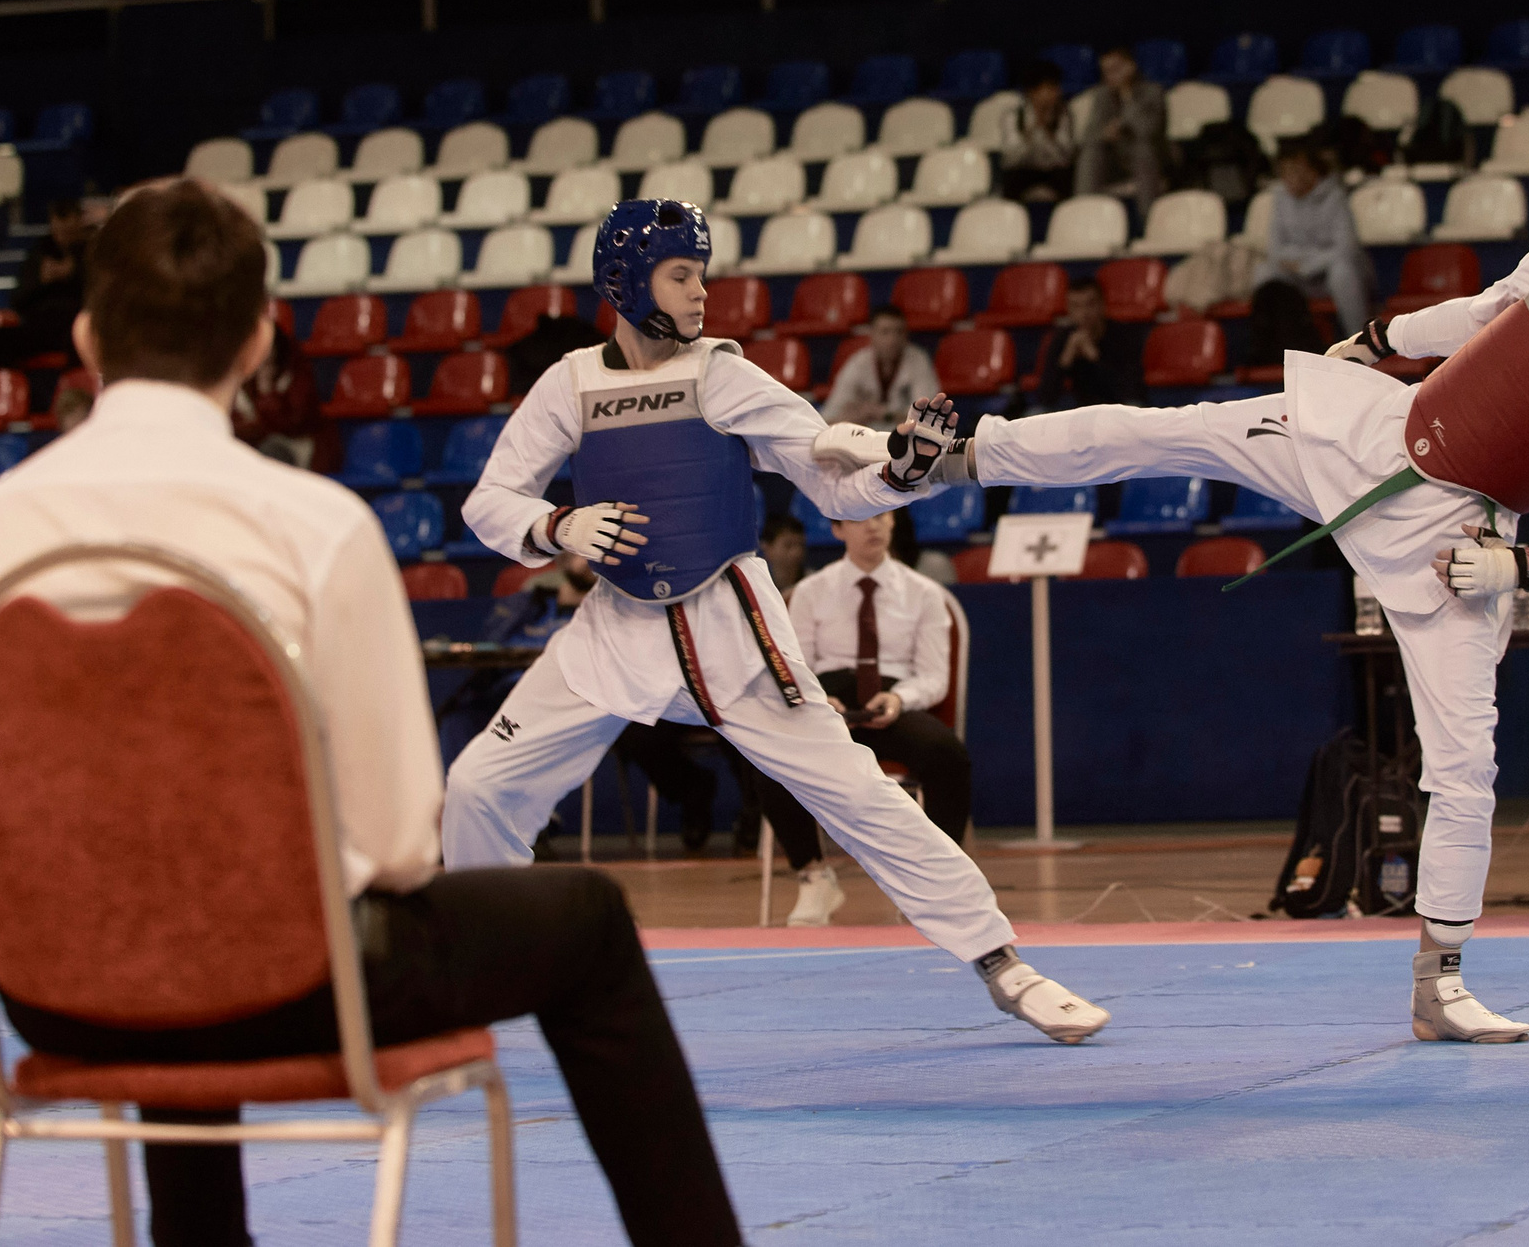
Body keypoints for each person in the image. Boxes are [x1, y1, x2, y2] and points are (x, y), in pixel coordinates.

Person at [0, 179, 744, 1247]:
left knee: (172, 902)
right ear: (261, 341)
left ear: (85, 335)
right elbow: (402, 842)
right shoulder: (309, 523)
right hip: (287, 981)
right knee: (581, 921)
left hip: (49, 986)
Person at [938, 134, 1529, 1043]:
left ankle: (1439, 982)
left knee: (1465, 768)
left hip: (1460, 543)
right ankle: (964, 455)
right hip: (1372, 438)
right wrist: (1380, 340)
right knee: (1173, 432)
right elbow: (1478, 315)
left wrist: (1528, 567)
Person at [442, 199, 1108, 1044]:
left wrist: (898, 472)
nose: (700, 293)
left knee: (859, 793)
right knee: (477, 787)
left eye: (702, 276)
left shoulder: (721, 371)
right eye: (682, 275)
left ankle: (1004, 962)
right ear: (624, 278)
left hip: (729, 629)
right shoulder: (571, 381)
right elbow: (489, 500)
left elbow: (827, 467)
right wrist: (557, 526)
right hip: (612, 631)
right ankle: (484, 974)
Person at [757, 510, 974, 925]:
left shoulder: (925, 594)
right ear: (837, 529)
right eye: (859, 518)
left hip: (893, 702)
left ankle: (935, 883)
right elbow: (795, 666)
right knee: (771, 755)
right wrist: (822, 702)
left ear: (893, 523)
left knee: (948, 756)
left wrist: (898, 697)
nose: (873, 525)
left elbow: (933, 676)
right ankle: (813, 876)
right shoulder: (810, 592)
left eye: (882, 515)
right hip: (829, 705)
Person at [1255, 140, 1371, 334]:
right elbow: (1275, 248)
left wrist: (1306, 265)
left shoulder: (1336, 196)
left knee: (1342, 270)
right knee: (1264, 273)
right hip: (1296, 275)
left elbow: (1346, 248)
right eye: (1285, 172)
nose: (1289, 177)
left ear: (1313, 171)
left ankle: (1359, 338)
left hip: (1327, 275)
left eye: (1295, 170)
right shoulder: (1280, 197)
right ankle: (1275, 344)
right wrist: (1297, 263)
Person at [0, 196, 94, 368]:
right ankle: (14, 389)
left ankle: (75, 388)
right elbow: (17, 300)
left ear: (78, 219)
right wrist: (40, 281)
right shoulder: (40, 252)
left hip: (73, 324)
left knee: (78, 335)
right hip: (41, 325)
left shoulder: (91, 249)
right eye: (58, 218)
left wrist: (73, 273)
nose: (63, 225)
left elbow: (98, 295)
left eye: (68, 217)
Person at [230, 322, 341, 473]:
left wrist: (267, 390)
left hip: (300, 444)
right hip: (256, 444)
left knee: (271, 451)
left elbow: (293, 422)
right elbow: (235, 424)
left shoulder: (297, 372)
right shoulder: (242, 376)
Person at [1073, 44, 1170, 213]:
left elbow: (1148, 132)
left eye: (1115, 70)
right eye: (1106, 72)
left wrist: (1127, 98)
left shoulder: (1153, 92)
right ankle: (1084, 214)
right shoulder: (1102, 95)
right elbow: (1089, 135)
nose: (1110, 76)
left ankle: (1149, 224)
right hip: (1116, 160)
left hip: (1152, 157)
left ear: (1131, 67)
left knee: (1143, 151)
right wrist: (1104, 134)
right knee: (1091, 152)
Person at [819, 304, 939, 430]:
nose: (892, 339)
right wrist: (857, 415)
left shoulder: (918, 361)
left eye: (899, 332)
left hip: (906, 439)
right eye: (885, 332)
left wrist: (885, 415)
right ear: (872, 334)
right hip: (862, 438)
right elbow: (828, 419)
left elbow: (928, 418)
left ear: (906, 335)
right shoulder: (857, 363)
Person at [1031, 277, 1144, 409]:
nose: (1083, 313)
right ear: (1068, 310)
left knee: (1135, 407)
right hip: (1082, 410)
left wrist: (1094, 356)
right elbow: (1045, 398)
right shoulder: (1063, 338)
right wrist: (1065, 360)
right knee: (1035, 412)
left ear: (1102, 305)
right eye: (1076, 306)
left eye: (1090, 305)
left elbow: (1130, 393)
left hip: (1117, 409)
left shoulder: (1123, 336)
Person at [998, 60, 1080, 202]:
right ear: (1031, 92)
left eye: (1054, 88)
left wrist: (1049, 133)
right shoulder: (1014, 116)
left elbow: (1066, 157)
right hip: (1024, 170)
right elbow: (1010, 158)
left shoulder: (1064, 115)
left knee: (1067, 177)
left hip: (1054, 171)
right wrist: (1030, 133)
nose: (1051, 94)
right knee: (1011, 180)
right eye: (1045, 89)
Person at [758, 511, 808, 599]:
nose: (796, 552)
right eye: (788, 545)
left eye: (800, 544)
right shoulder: (756, 584)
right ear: (767, 548)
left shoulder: (813, 583)